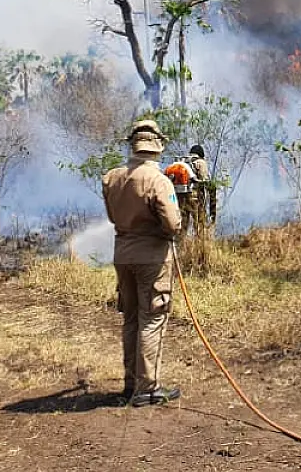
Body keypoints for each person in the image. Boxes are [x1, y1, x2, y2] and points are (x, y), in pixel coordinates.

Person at [102, 120, 182, 407]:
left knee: (132, 318)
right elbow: (172, 224)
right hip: (152, 258)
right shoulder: (158, 180)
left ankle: (130, 383)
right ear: (157, 145)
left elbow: (113, 217)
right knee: (153, 317)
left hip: (123, 254)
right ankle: (148, 387)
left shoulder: (111, 177)